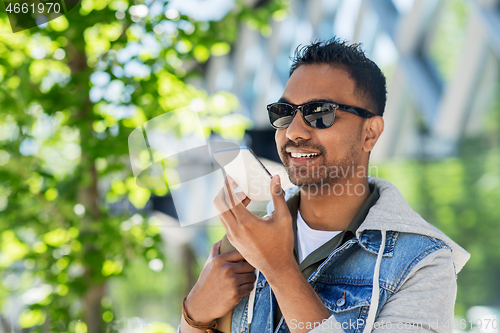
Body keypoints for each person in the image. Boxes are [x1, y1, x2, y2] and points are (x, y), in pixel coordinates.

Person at [179, 38, 470, 333]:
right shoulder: (243, 243)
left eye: (319, 113)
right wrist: (195, 314)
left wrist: (279, 269)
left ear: (370, 133)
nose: (293, 131)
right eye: (284, 112)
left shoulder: (423, 263)